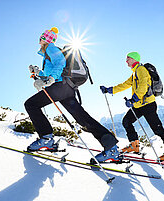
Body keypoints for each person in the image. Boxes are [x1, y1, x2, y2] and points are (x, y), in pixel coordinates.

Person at [24, 27, 119, 162]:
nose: (40, 39)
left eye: (42, 37)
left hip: (60, 87)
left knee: (31, 104)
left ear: (45, 39)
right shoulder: (47, 54)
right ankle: (111, 148)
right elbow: (52, 72)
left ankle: (46, 138)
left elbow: (61, 63)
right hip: (67, 89)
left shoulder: (51, 48)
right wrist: (39, 73)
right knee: (83, 118)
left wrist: (50, 79)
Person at [100, 52, 164, 161]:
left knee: (157, 129)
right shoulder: (135, 72)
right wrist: (109, 90)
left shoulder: (141, 70)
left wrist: (133, 99)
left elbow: (143, 86)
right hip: (139, 105)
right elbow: (125, 84)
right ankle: (134, 145)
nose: (126, 61)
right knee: (126, 121)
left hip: (148, 105)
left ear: (134, 59)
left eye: (128, 59)